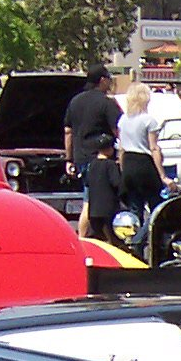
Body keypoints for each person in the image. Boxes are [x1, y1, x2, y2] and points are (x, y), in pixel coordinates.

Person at [64, 68, 120, 239]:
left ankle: (93, 237)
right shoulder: (106, 103)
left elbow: (68, 132)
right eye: (109, 79)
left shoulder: (75, 101)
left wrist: (69, 159)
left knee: (90, 199)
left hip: (81, 158)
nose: (110, 82)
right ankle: (83, 239)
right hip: (101, 159)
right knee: (92, 202)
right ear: (102, 80)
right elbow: (118, 130)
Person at [113, 83, 166, 239]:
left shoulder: (123, 120)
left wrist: (123, 170)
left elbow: (121, 148)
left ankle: (133, 239)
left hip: (129, 163)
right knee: (156, 208)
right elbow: (153, 148)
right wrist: (162, 175)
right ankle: (148, 239)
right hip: (144, 164)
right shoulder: (149, 120)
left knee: (135, 208)